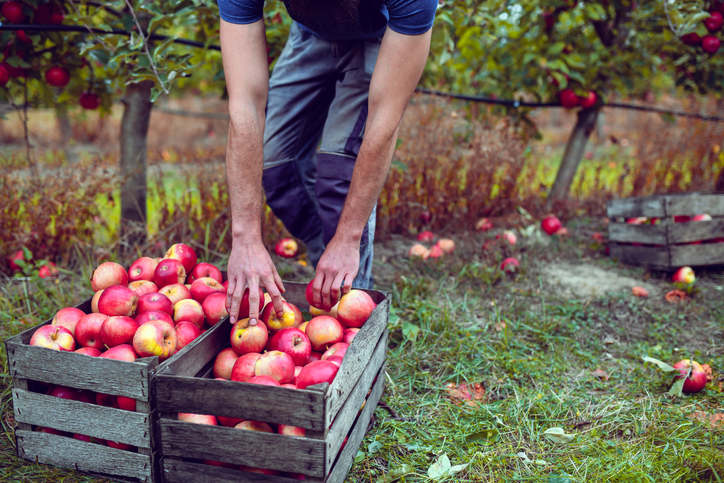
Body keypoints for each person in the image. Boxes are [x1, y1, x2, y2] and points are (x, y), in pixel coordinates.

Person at [219, 0, 437, 326]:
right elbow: (244, 103)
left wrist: (348, 238)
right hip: (307, 37)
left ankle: (350, 312)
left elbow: (384, 119)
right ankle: (328, 265)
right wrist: (245, 238)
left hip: (381, 36)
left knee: (339, 177)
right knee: (277, 167)